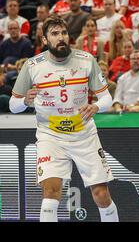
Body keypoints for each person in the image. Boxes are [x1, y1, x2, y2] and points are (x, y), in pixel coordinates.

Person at [9, 15, 118, 222]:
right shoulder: (32, 66)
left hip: (84, 135)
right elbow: (13, 106)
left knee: (101, 195)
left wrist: (96, 106)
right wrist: (25, 101)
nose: (61, 38)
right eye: (55, 34)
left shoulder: (86, 60)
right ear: (44, 40)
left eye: (64, 33)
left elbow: (107, 98)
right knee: (50, 193)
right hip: (50, 137)